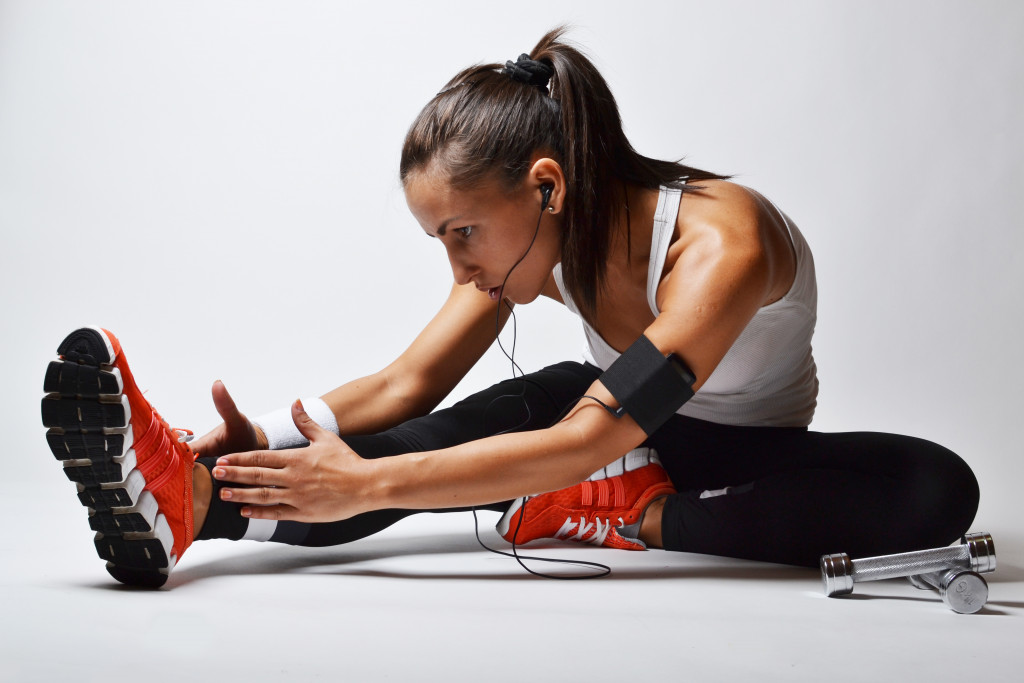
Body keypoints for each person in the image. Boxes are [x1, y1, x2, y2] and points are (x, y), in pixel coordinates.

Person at [41, 28, 979, 588]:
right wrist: (275, 444)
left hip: (741, 456)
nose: (460, 264)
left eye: (461, 234)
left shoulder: (721, 248)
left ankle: (635, 517)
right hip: (604, 423)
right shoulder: (532, 247)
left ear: (545, 184)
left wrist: (368, 484)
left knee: (937, 490)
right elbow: (412, 382)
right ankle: (193, 501)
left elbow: (584, 442)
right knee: (501, 415)